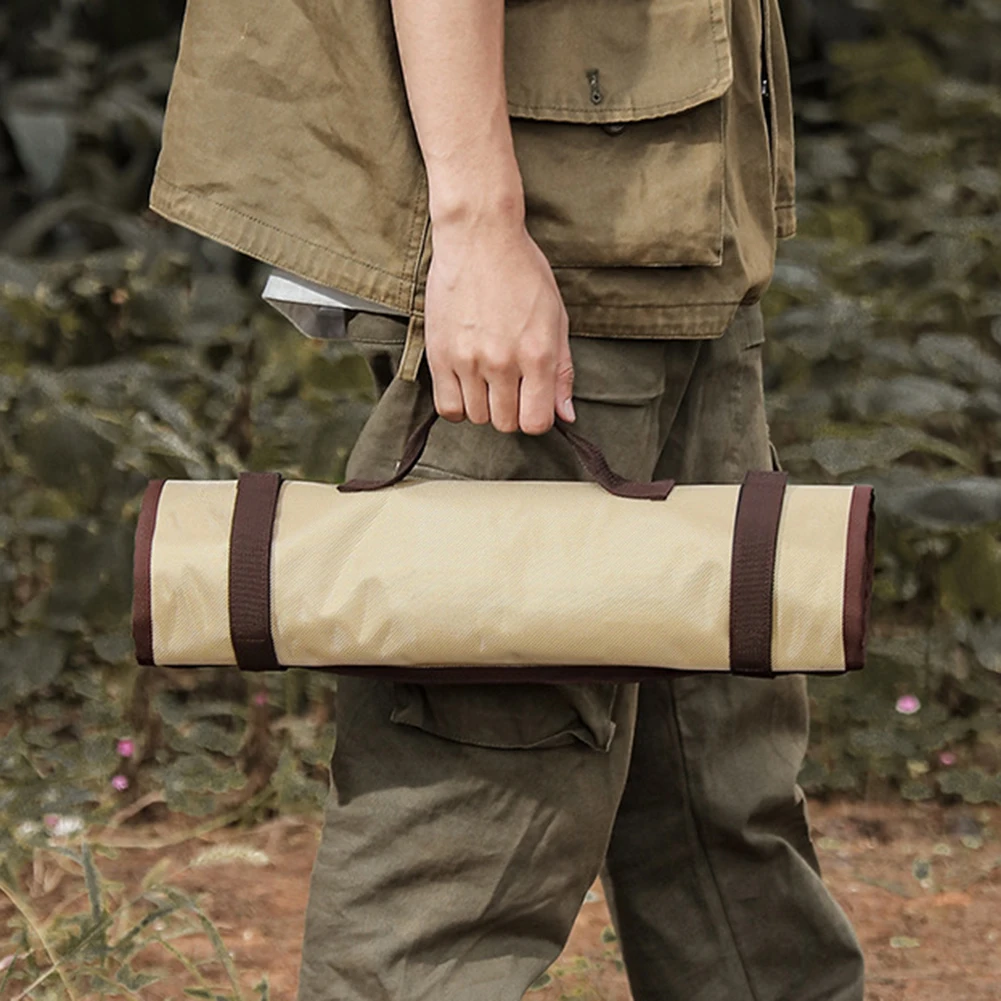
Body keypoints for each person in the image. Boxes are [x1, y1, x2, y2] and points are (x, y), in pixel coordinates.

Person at [149, 0, 866, 998]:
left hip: (671, 212)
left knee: (715, 776)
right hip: (552, 224)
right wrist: (479, 228)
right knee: (466, 820)